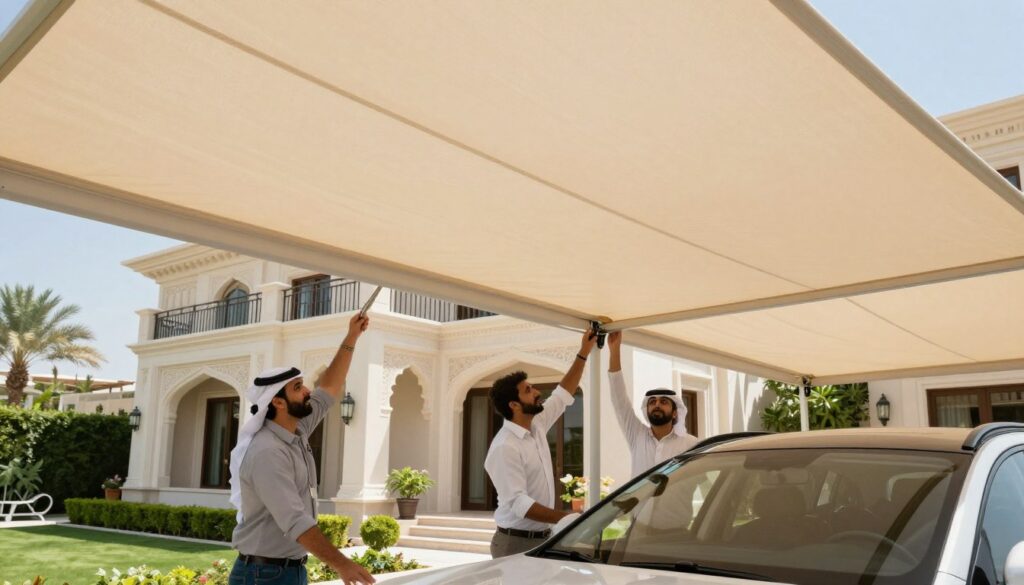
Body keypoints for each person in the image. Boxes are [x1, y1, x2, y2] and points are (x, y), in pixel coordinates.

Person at [228, 314, 375, 585]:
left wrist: (352, 336)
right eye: (298, 387)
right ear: (278, 403)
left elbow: (329, 387)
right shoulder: (267, 453)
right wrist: (342, 564)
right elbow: (295, 520)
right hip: (263, 576)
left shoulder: (297, 430)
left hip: (288, 571)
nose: (307, 390)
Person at [484, 329, 598, 558]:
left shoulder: (537, 424)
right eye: (528, 390)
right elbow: (520, 503)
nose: (537, 392)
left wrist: (584, 351)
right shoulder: (504, 447)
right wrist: (566, 518)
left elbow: (563, 392)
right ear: (514, 405)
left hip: (545, 538)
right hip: (513, 543)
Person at [607, 331, 699, 478]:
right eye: (652, 402)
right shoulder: (637, 436)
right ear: (647, 409)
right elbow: (619, 399)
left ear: (675, 412)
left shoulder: (690, 444)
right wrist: (614, 350)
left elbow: (699, 480)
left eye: (663, 402)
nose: (657, 405)